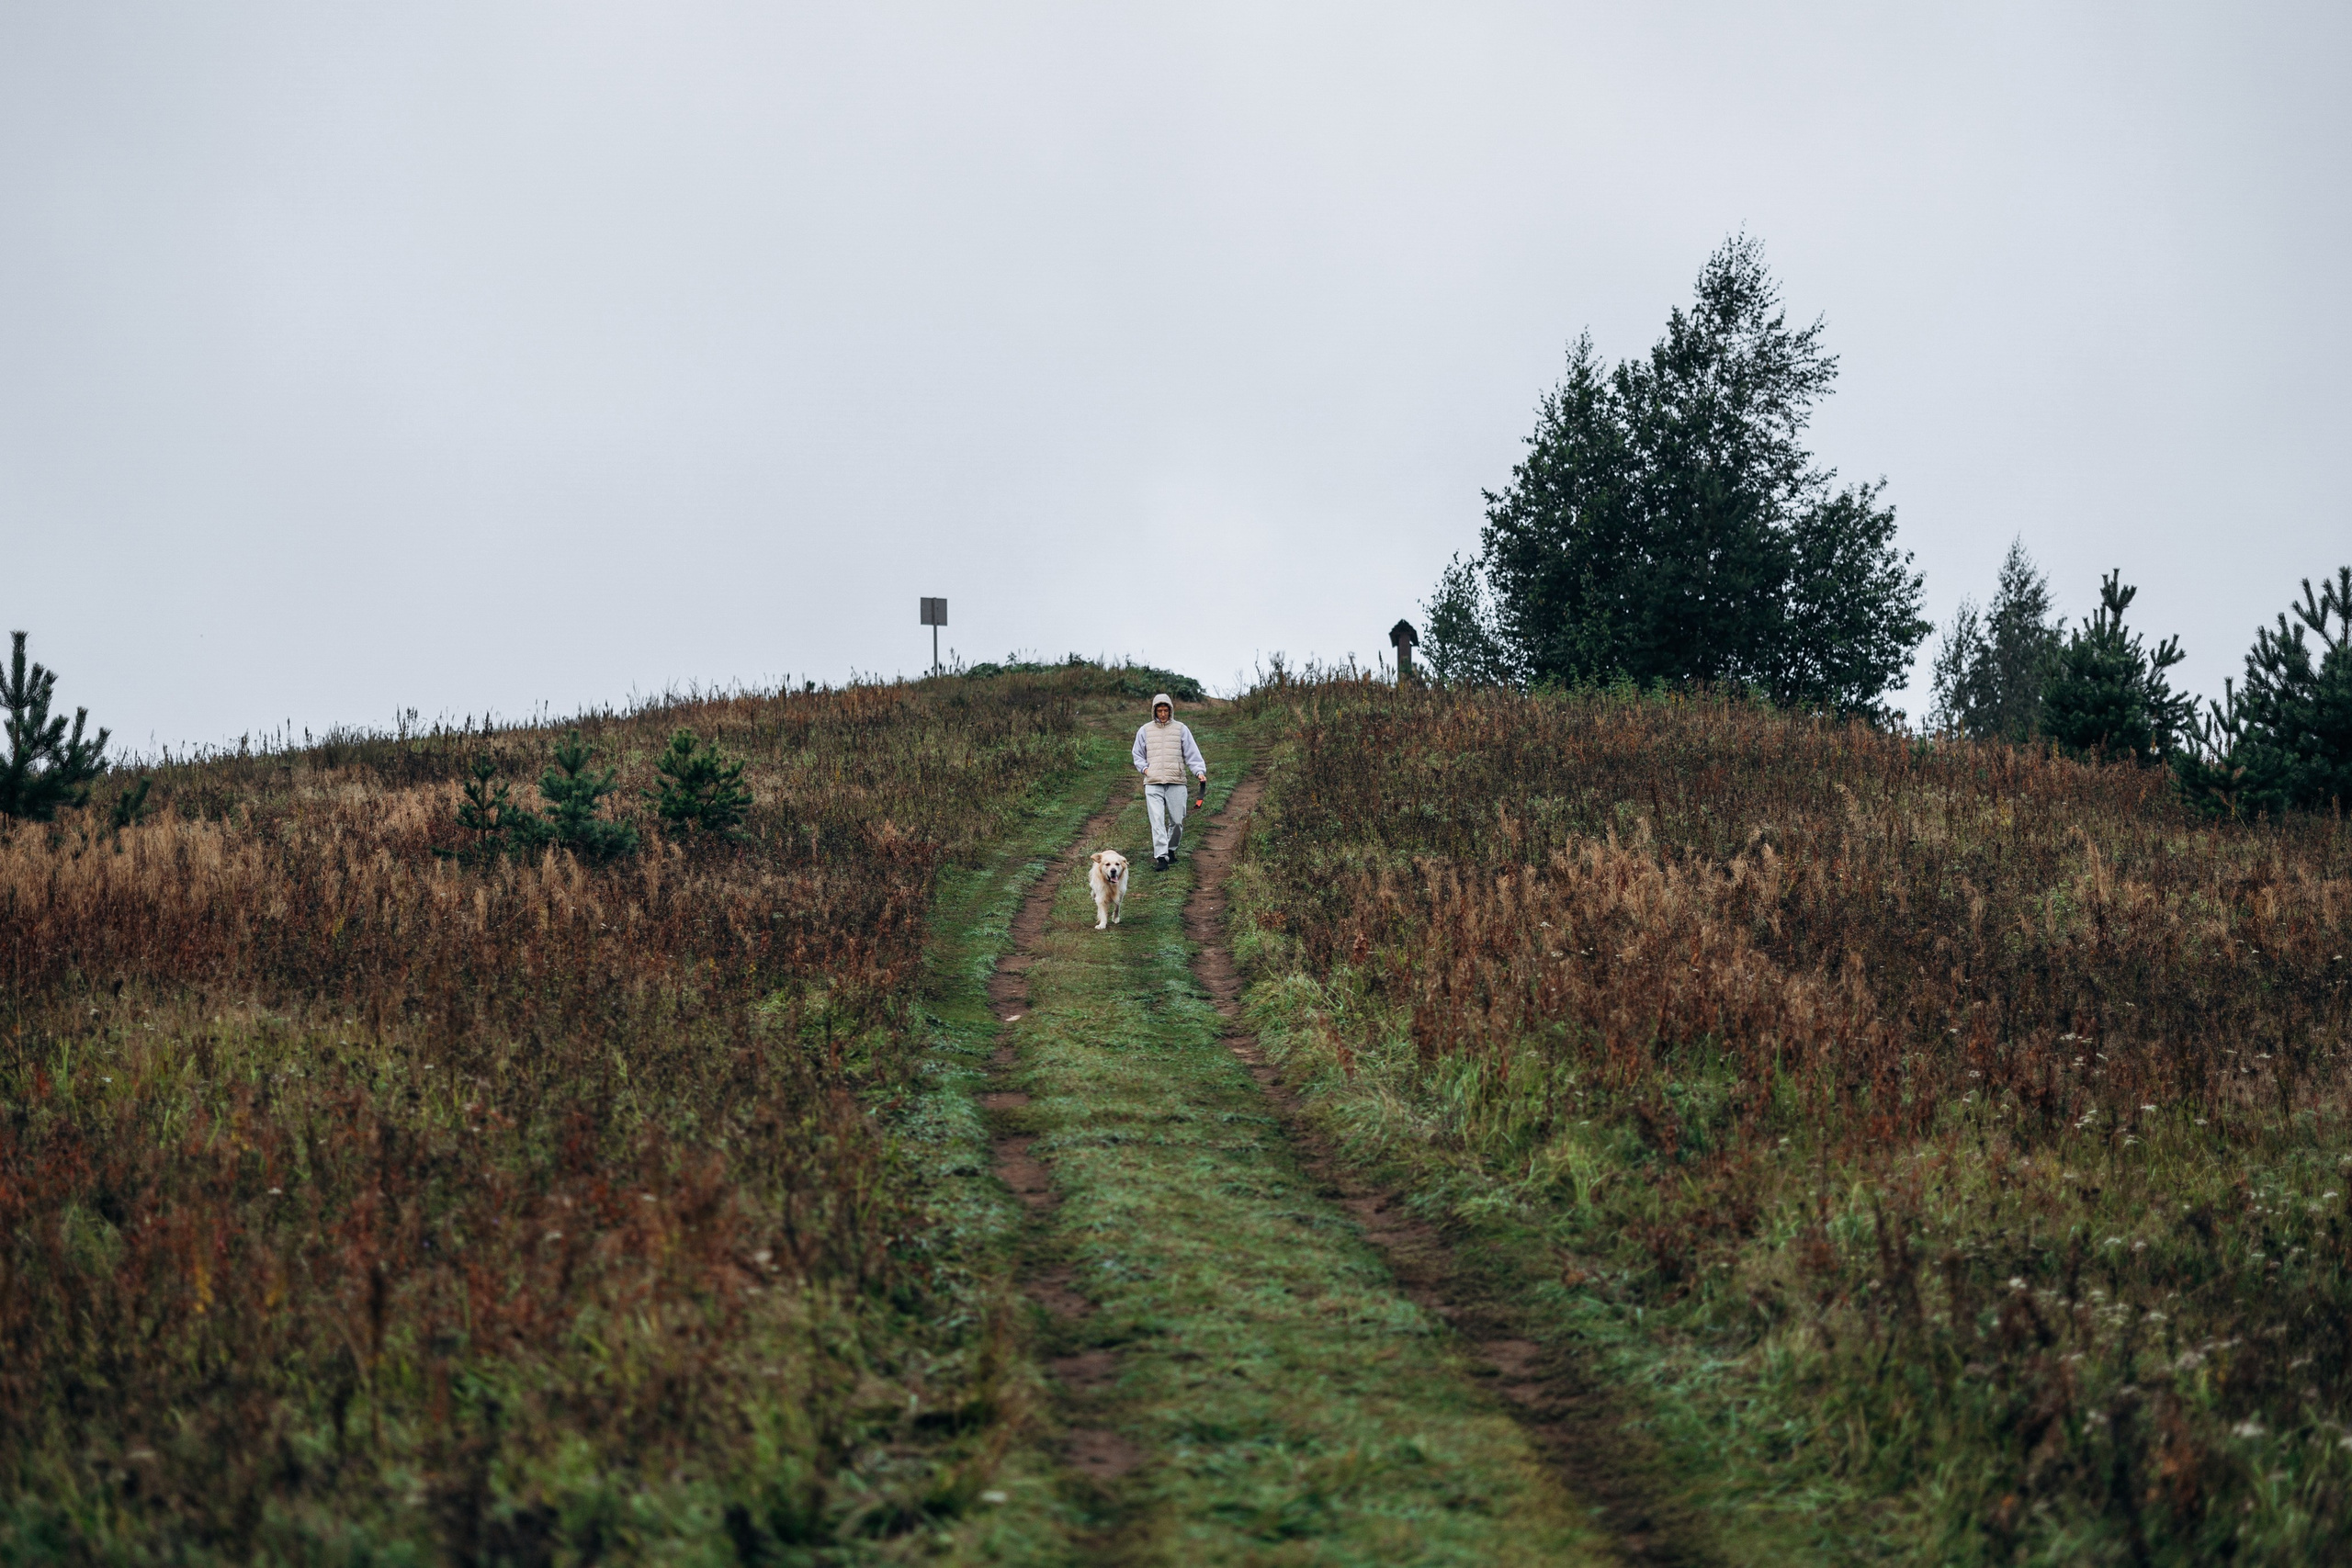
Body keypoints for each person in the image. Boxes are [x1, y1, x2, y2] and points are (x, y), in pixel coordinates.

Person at [1132, 693, 1207, 871]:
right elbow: (1137, 754)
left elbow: (1191, 753)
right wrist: (1145, 769)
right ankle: (1161, 858)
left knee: (1177, 820)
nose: (1163, 714)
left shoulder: (1181, 729)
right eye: (1160, 710)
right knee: (1157, 820)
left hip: (1176, 781)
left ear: (1171, 710)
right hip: (1153, 782)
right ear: (1154, 711)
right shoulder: (1145, 730)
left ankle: (1171, 850)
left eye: (1166, 710)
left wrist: (1199, 772)